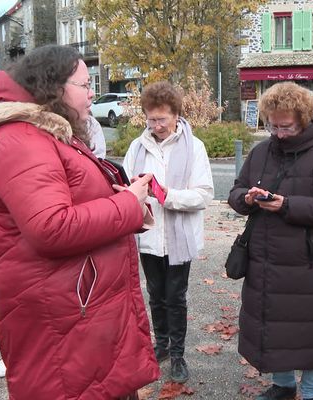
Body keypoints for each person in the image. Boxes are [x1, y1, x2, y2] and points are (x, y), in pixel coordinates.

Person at [0, 45, 159, 399]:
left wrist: (130, 210)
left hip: (78, 311)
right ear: (54, 87)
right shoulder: (21, 139)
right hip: (64, 317)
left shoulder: (46, 134)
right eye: (84, 84)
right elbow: (51, 227)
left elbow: (72, 204)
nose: (92, 92)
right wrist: (127, 205)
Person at [228, 82, 313, 400]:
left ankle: (312, 393)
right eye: (273, 125)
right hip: (263, 259)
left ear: (304, 120)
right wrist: (249, 199)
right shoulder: (261, 152)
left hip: (304, 263)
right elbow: (235, 193)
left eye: (287, 126)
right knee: (273, 324)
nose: (279, 133)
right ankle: (283, 386)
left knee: (307, 331)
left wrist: (286, 205)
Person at [123, 81, 214, 383]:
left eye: (162, 118)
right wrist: (132, 192)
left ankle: (178, 354)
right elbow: (125, 189)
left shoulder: (194, 147)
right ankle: (161, 345)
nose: (157, 125)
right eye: (151, 119)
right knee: (155, 295)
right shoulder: (137, 147)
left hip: (180, 237)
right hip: (148, 236)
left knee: (176, 297)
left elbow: (204, 195)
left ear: (176, 114)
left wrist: (166, 195)